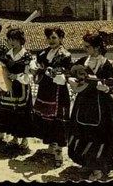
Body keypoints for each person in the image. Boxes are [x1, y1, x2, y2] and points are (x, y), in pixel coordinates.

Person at [68, 31, 113, 181]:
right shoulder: (83, 60)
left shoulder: (107, 65)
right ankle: (86, 162)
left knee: (99, 135)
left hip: (101, 105)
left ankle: (98, 169)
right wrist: (72, 80)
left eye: (87, 46)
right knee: (82, 131)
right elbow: (71, 73)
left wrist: (105, 88)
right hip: (84, 103)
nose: (85, 49)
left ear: (97, 47)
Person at [31, 26, 72, 167]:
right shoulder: (43, 53)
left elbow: (67, 73)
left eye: (54, 37)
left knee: (58, 121)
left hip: (58, 92)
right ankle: (51, 146)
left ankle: (58, 154)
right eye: (49, 38)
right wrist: (36, 69)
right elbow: (38, 65)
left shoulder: (65, 55)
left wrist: (56, 74)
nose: (51, 40)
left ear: (61, 38)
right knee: (46, 119)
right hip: (45, 90)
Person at [0, 27, 34, 150]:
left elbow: (29, 76)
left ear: (20, 40)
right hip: (9, 87)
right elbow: (2, 68)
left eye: (14, 40)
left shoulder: (27, 56)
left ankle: (24, 140)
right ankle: (14, 138)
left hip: (21, 87)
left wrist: (17, 76)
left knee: (23, 113)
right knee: (11, 113)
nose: (11, 42)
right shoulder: (8, 54)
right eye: (10, 40)